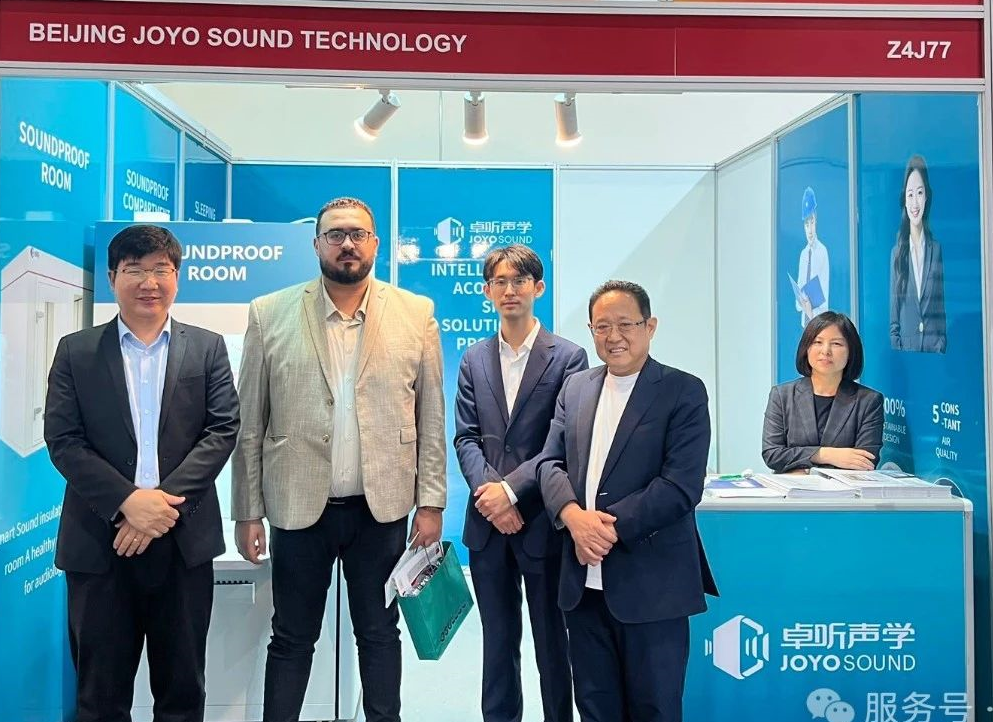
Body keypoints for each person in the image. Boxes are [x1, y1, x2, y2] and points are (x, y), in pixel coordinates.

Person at [231, 196, 446, 722]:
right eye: (335, 235)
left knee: (379, 634)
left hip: (382, 509)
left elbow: (430, 417)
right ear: (316, 244)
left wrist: (431, 502)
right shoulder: (269, 313)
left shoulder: (415, 313)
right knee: (291, 636)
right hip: (298, 508)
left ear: (375, 244)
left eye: (357, 234)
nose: (347, 244)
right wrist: (247, 511)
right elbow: (249, 422)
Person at [44, 224, 240, 722]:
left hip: (183, 542)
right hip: (100, 543)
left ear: (177, 277)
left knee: (182, 692)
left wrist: (160, 506)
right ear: (112, 277)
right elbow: (63, 439)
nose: (149, 282)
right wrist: (128, 502)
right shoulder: (76, 350)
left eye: (161, 270)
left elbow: (222, 429)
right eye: (134, 270)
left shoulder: (207, 347)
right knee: (100, 697)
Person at [537, 280, 717, 722]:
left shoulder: (683, 391)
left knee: (654, 708)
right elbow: (549, 463)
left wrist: (602, 529)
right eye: (602, 326)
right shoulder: (575, 388)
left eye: (625, 324)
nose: (613, 336)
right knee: (595, 708)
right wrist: (572, 517)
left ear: (649, 327)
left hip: (652, 585)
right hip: (583, 587)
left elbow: (680, 486)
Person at [454, 245, 587, 722]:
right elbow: (466, 437)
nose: (509, 290)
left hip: (543, 520)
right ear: (487, 291)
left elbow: (561, 440)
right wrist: (491, 498)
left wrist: (510, 491)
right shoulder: (473, 358)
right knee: (497, 642)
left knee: (553, 643)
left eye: (519, 280)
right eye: (500, 282)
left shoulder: (568, 357)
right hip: (487, 524)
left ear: (538, 287)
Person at [762, 310, 883, 474]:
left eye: (836, 344)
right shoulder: (782, 395)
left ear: (851, 352)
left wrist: (800, 463)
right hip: (792, 489)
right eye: (818, 342)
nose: (825, 351)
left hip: (843, 489)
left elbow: (865, 461)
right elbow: (772, 454)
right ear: (806, 348)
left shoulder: (868, 401)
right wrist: (825, 455)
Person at [889, 155, 947, 353]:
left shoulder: (936, 249)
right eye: (910, 194)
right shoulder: (897, 254)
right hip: (907, 353)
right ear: (905, 200)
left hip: (934, 352)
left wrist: (940, 345)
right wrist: (898, 349)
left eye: (919, 193)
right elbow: (894, 316)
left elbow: (940, 307)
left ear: (926, 197)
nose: (915, 203)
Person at [796, 186, 830, 327]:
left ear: (816, 222)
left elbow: (824, 295)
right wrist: (801, 301)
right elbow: (798, 296)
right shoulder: (803, 254)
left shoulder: (822, 252)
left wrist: (812, 312)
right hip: (805, 325)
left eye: (812, 223)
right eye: (806, 224)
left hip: (818, 323)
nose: (809, 230)